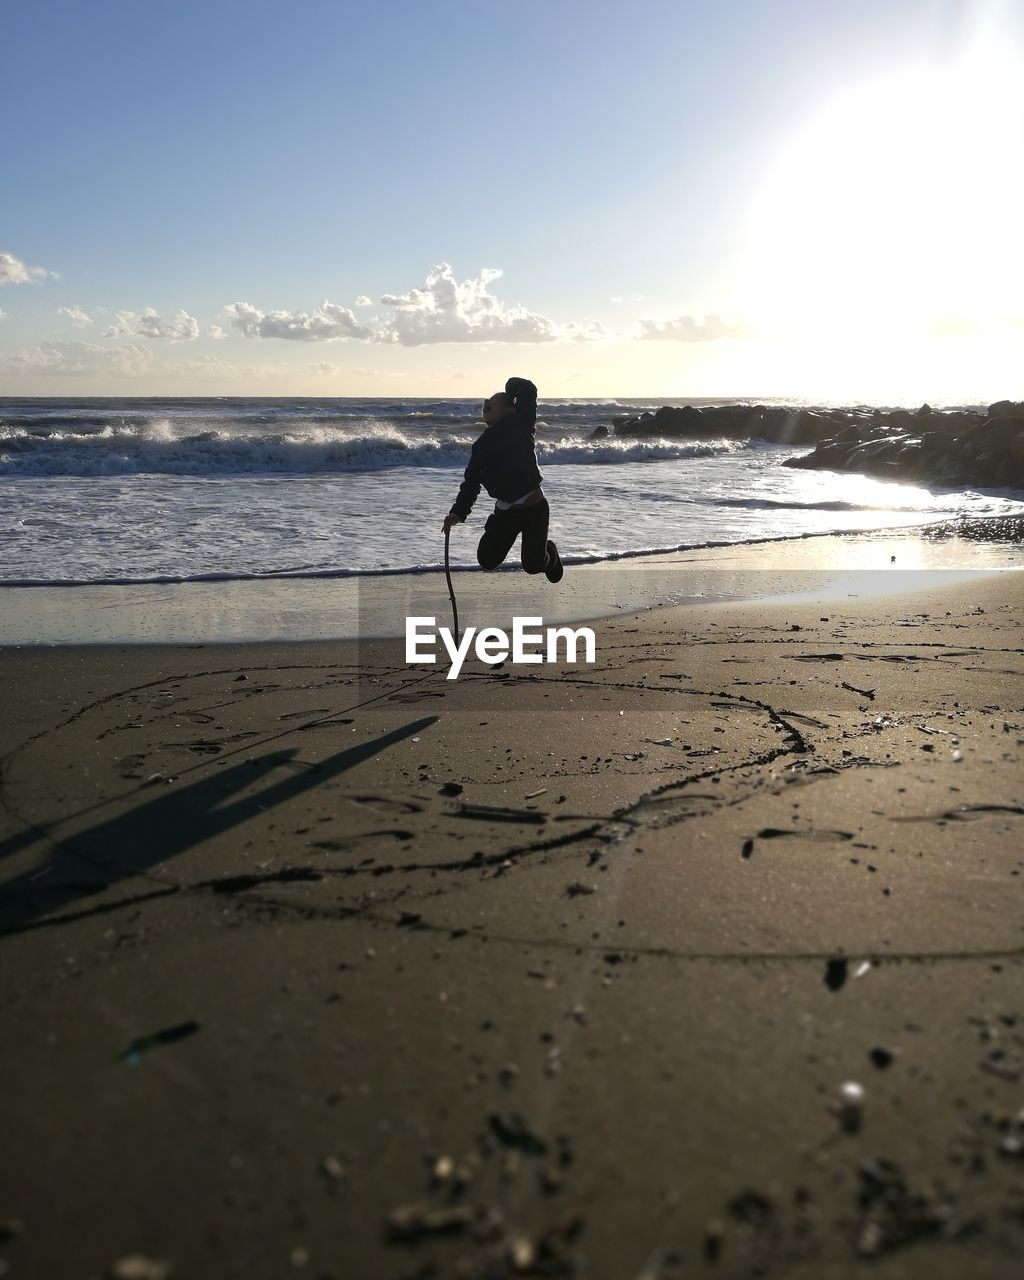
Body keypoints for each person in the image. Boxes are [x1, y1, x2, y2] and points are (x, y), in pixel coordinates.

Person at [442, 376, 563, 582]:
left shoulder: (521, 425)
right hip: (505, 513)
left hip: (534, 509)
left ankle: (550, 554)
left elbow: (527, 388)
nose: (485, 403)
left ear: (510, 409)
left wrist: (508, 388)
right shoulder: (479, 447)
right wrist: (458, 512)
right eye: (485, 402)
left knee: (533, 566)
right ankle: (531, 546)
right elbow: (471, 484)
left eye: (493, 400)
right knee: (487, 560)